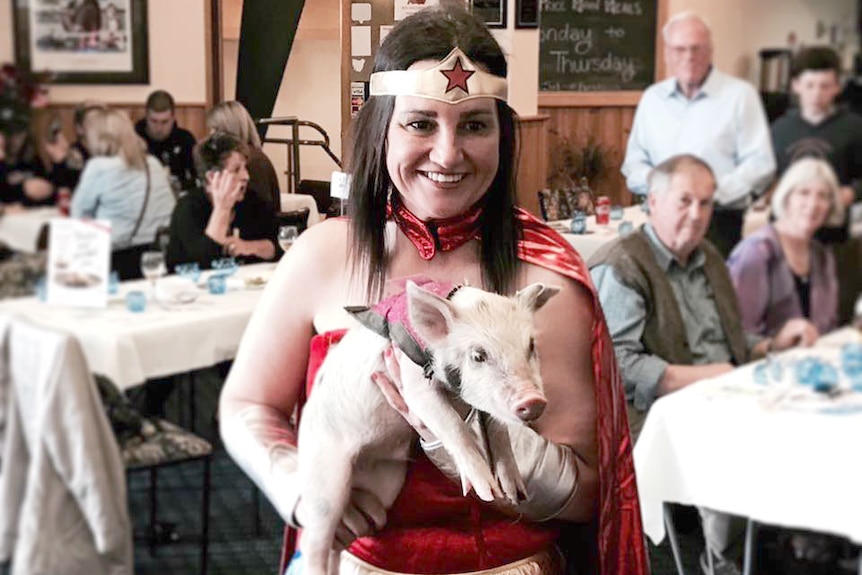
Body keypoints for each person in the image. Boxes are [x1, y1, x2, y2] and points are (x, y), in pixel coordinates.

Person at [219, 6, 649, 575]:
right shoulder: (322, 254)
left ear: (502, 134)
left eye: (474, 124)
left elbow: (590, 493)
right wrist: (304, 490)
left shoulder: (544, 279)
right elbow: (247, 405)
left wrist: (458, 434)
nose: (448, 154)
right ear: (382, 129)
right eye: (421, 123)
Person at [589, 154, 818, 575]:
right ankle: (723, 561)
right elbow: (616, 363)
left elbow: (725, 341)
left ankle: (797, 540)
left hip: (727, 389)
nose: (697, 216)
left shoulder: (709, 257)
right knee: (734, 439)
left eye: (707, 203)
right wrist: (708, 377)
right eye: (685, 201)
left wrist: (770, 344)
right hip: (653, 413)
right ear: (653, 201)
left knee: (815, 405)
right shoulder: (622, 264)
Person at [621, 12, 775, 258]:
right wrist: (664, 190)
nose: (689, 57)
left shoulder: (740, 96)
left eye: (697, 49)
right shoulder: (652, 98)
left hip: (718, 223)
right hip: (659, 222)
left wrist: (707, 196)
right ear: (667, 54)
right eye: (680, 49)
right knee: (663, 294)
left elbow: (760, 163)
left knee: (713, 295)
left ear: (710, 50)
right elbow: (634, 162)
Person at [771, 45, 862, 322]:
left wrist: (850, 193)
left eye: (825, 86)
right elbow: (771, 178)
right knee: (789, 311)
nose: (816, 93)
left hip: (833, 238)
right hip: (788, 237)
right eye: (809, 85)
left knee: (834, 311)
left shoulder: (854, 127)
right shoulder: (779, 129)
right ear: (796, 85)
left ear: (837, 87)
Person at [728, 158, 841, 337]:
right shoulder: (756, 252)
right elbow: (739, 333)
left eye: (823, 196)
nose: (813, 204)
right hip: (765, 361)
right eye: (804, 193)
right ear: (786, 197)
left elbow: (828, 326)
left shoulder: (823, 256)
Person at [70, 108, 175, 278]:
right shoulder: (152, 163)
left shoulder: (99, 167)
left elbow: (78, 217)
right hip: (158, 256)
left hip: (114, 261)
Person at [165, 131, 277, 270]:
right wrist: (222, 209)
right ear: (212, 177)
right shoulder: (188, 208)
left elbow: (276, 247)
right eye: (236, 170)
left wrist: (247, 246)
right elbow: (204, 264)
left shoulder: (251, 200)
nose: (246, 176)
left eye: (245, 168)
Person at [206, 100, 280, 210]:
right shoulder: (252, 157)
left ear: (229, 129)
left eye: (216, 129)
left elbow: (258, 210)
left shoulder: (252, 162)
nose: (211, 135)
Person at [134, 89, 197, 191]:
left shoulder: (185, 140)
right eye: (154, 121)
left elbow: (197, 177)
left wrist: (180, 185)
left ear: (173, 118)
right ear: (146, 117)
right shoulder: (133, 139)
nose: (159, 128)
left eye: (164, 122)